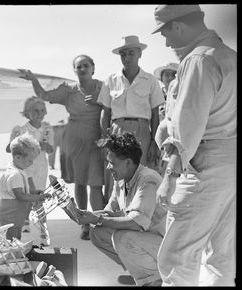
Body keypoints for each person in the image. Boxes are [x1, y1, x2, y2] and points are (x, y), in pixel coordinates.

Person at [152, 5, 236, 286]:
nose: (166, 41)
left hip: (202, 164)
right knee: (219, 257)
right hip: (230, 165)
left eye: (165, 32)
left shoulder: (198, 60)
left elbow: (187, 127)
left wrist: (169, 177)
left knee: (178, 258)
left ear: (178, 26)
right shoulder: (229, 56)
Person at [19, 54, 106, 240]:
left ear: (93, 68)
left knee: (97, 184)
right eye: (78, 67)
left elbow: (115, 106)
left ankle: (100, 223)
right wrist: (34, 79)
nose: (82, 69)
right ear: (74, 71)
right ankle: (84, 225)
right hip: (75, 139)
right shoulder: (69, 91)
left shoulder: (102, 87)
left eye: (85, 65)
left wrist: (99, 102)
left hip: (97, 139)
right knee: (81, 182)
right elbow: (43, 95)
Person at [76, 133, 166, 286]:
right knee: (98, 232)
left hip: (164, 246)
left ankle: (155, 278)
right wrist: (84, 215)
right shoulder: (121, 180)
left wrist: (97, 218)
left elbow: (137, 223)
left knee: (122, 237)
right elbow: (108, 212)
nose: (108, 167)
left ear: (128, 162)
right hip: (146, 240)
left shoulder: (148, 179)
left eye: (112, 163)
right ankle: (141, 272)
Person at [98, 35, 165, 205]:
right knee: (115, 177)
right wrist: (106, 139)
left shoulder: (150, 80)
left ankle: (137, 217)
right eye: (123, 54)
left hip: (142, 131)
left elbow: (155, 114)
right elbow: (105, 113)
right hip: (117, 130)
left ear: (139, 54)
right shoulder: (110, 80)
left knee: (140, 175)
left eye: (131, 53)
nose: (126, 58)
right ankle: (114, 217)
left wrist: (154, 143)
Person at [6, 96, 54, 246]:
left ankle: (43, 231)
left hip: (40, 167)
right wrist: (25, 144)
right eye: (35, 111)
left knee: (39, 197)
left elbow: (51, 148)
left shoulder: (47, 128)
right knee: (26, 197)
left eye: (41, 110)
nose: (39, 114)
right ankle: (23, 225)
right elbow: (9, 148)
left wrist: (43, 146)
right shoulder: (21, 130)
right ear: (27, 113)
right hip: (25, 168)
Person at [0, 133, 51, 241]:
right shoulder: (15, 175)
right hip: (11, 214)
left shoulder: (18, 170)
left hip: (15, 215)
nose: (31, 163)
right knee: (12, 240)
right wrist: (38, 198)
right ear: (18, 157)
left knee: (16, 239)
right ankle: (12, 256)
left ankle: (15, 255)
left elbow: (22, 191)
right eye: (30, 160)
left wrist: (34, 192)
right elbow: (20, 195)